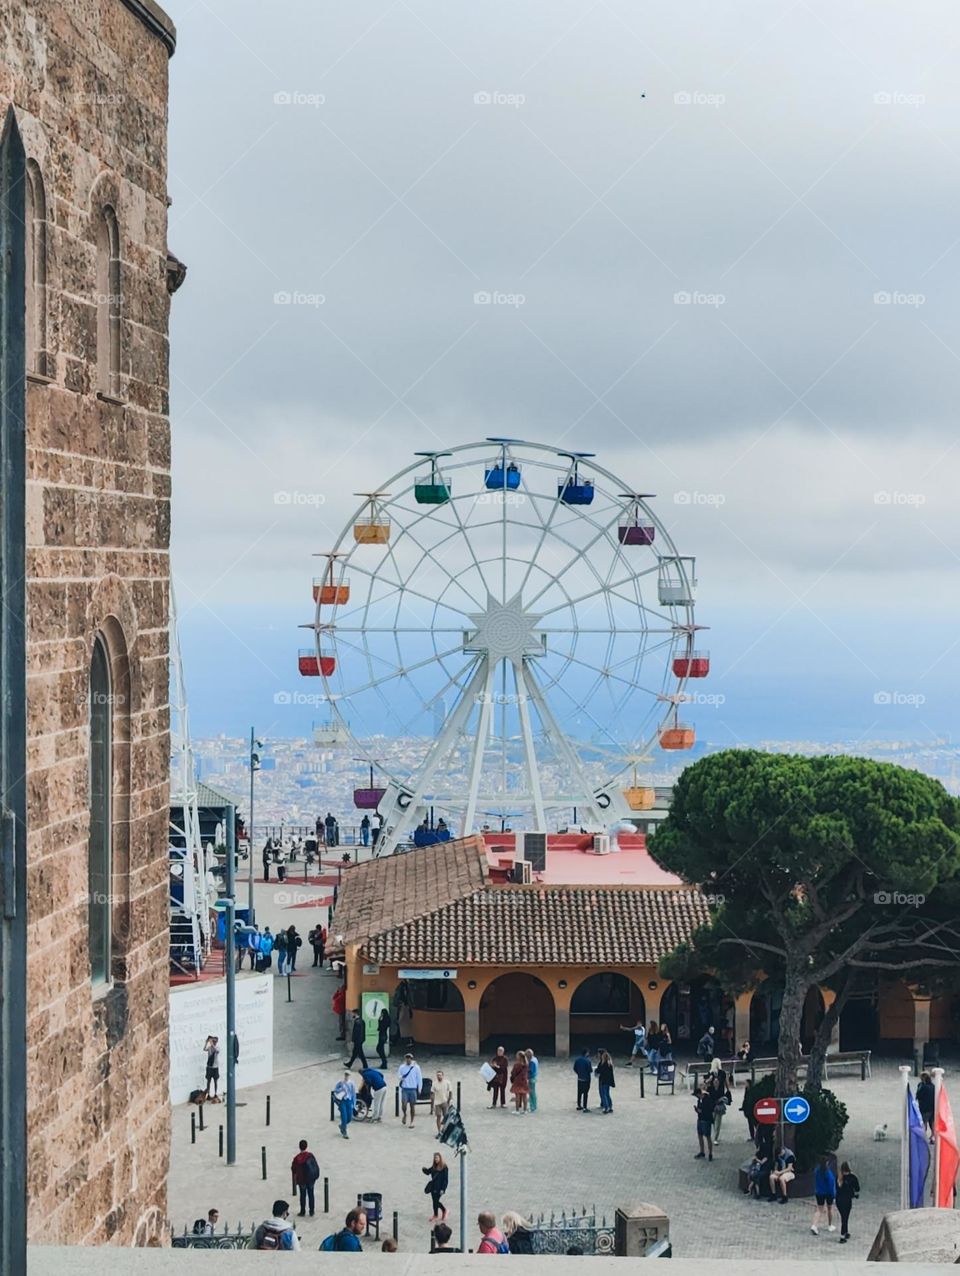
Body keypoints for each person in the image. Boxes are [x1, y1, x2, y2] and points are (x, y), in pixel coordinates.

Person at [290, 1139, 320, 1217]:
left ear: (299, 1147)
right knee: (311, 1194)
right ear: (306, 1146)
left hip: (302, 1179)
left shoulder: (297, 1158)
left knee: (302, 1195)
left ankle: (302, 1211)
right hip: (310, 1179)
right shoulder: (310, 1155)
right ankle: (311, 1211)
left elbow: (293, 1168)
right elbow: (315, 1165)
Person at [835, 1161, 860, 1243]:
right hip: (847, 1200)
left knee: (843, 1216)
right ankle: (842, 1235)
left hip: (839, 1200)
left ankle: (845, 1232)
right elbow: (857, 1189)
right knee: (845, 1218)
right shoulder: (852, 1177)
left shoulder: (838, 1177)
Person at [811, 1157, 837, 1235]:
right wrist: (834, 1195)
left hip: (819, 1192)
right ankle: (830, 1225)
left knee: (819, 1209)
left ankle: (814, 1225)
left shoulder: (817, 1171)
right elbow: (831, 1184)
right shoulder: (828, 1173)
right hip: (828, 1193)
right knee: (830, 1208)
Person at [398, 1052, 423, 1126]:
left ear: (411, 1059)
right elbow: (399, 1075)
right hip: (405, 1088)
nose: (408, 1059)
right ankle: (405, 1114)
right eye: (407, 1058)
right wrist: (401, 1078)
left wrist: (419, 1088)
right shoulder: (402, 1067)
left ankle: (412, 1121)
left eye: (409, 1058)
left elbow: (419, 1078)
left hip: (413, 1088)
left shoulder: (416, 1067)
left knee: (412, 1105)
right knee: (404, 1104)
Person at [423, 1152, 449, 1222]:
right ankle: (436, 1214)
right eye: (435, 1158)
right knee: (434, 1201)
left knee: (436, 1201)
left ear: (440, 1158)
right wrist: (424, 1170)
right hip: (433, 1187)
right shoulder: (434, 1167)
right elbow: (428, 1172)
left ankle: (443, 1211)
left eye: (437, 1158)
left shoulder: (444, 1167)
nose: (436, 1159)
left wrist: (443, 1189)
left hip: (440, 1188)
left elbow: (445, 1180)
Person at [694, 1081, 716, 1160]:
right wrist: (697, 1111)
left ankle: (710, 1153)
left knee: (707, 1137)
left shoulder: (707, 1099)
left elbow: (709, 1110)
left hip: (706, 1120)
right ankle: (702, 1151)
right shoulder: (699, 1100)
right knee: (700, 1136)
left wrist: (701, 1111)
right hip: (700, 1119)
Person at [710, 1069, 732, 1144]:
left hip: (719, 1107)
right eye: (715, 1082)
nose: (716, 1083)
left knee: (718, 1123)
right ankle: (715, 1136)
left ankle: (715, 1137)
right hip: (713, 1107)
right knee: (713, 1122)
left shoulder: (720, 1090)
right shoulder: (710, 1089)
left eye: (717, 1082)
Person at [333, 1071, 356, 1139]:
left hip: (349, 1101)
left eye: (348, 1075)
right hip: (342, 1101)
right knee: (344, 1116)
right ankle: (344, 1132)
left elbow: (353, 1093)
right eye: (346, 1075)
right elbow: (335, 1090)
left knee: (349, 1117)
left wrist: (354, 1103)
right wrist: (341, 1089)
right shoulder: (340, 1082)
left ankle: (342, 1126)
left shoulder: (351, 1083)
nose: (346, 1076)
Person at [595, 1049, 616, 1113]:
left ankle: (606, 1107)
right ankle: (610, 1106)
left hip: (603, 1080)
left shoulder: (602, 1064)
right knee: (607, 1093)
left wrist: (596, 1070)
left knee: (603, 1094)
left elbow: (599, 1071)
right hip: (608, 1080)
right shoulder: (609, 1064)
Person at [917, 1071, 936, 1141]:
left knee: (924, 1121)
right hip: (933, 1107)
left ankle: (923, 1137)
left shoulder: (922, 1086)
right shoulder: (933, 1086)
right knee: (932, 1122)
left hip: (924, 1108)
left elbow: (918, 1096)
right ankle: (933, 1136)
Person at [203, 1035, 220, 1101]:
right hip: (209, 1067)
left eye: (215, 1041)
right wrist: (206, 1042)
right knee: (208, 1081)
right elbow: (204, 1049)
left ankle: (215, 1093)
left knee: (215, 1081)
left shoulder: (217, 1048)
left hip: (215, 1067)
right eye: (213, 1041)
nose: (213, 1042)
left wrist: (212, 1044)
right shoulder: (209, 1047)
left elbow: (216, 1051)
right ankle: (208, 1094)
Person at [525, 1048, 539, 1113]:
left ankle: (532, 1107)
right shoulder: (535, 1059)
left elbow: (531, 1071)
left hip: (531, 1078)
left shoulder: (532, 1062)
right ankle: (534, 1106)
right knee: (533, 1093)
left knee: (531, 1093)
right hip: (535, 1077)